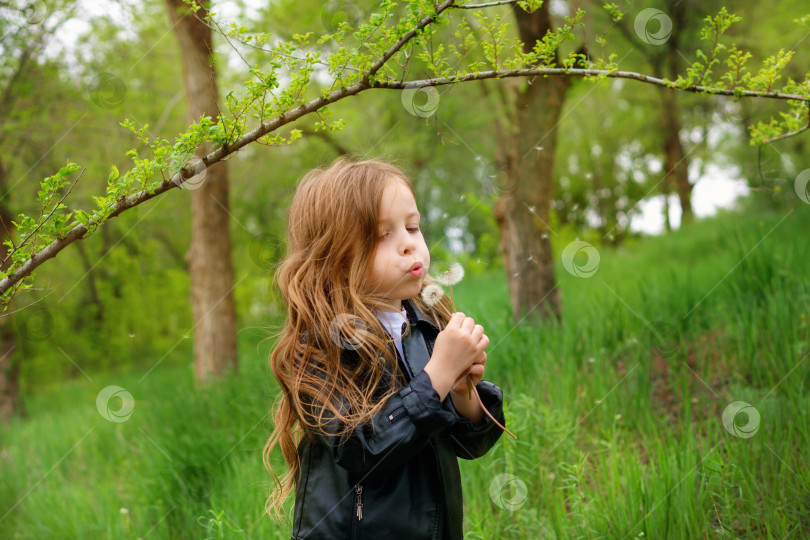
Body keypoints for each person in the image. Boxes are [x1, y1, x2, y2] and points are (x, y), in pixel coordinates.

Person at [263, 155, 507, 539]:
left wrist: (462, 392)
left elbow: (469, 445)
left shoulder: (427, 328)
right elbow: (361, 449)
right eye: (382, 235)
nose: (409, 245)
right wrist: (438, 375)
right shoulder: (321, 347)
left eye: (412, 227)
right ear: (337, 257)